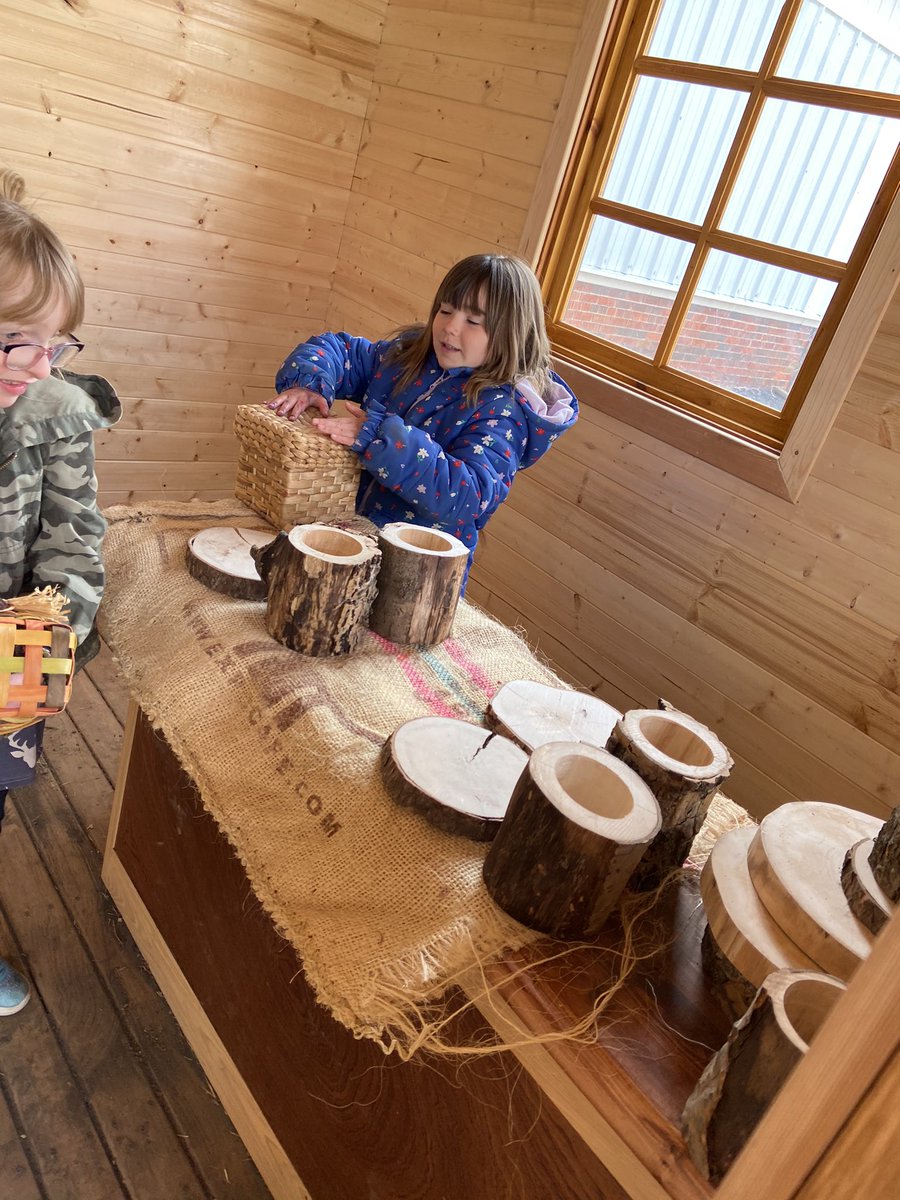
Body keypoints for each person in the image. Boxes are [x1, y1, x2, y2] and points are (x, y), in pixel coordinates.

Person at [0, 167, 120, 1016]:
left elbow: (74, 543)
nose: (43, 365)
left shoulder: (55, 411)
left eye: (57, 345)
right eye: (20, 341)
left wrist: (28, 667)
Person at [269, 253, 578, 574]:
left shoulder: (502, 412)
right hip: (351, 540)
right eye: (445, 310)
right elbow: (341, 350)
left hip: (417, 573)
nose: (450, 327)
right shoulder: (409, 357)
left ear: (510, 334)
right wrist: (311, 383)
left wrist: (380, 438)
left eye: (473, 321)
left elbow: (470, 493)